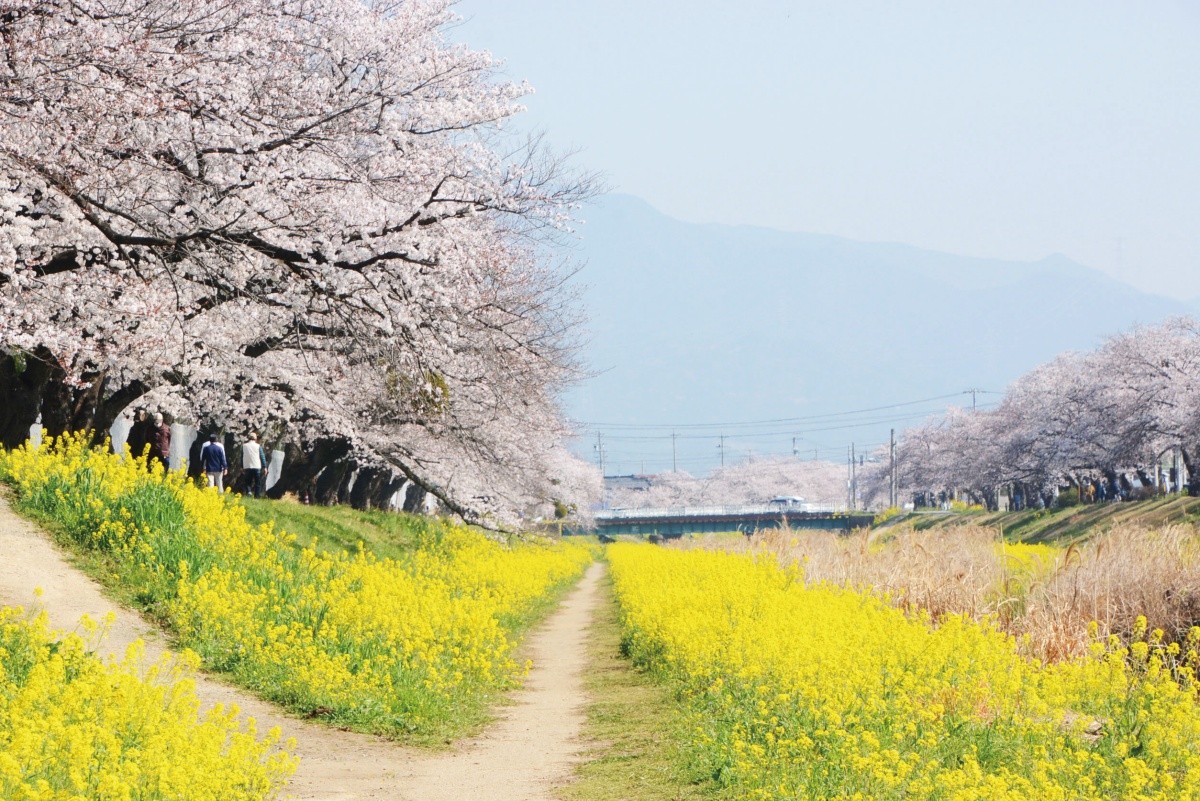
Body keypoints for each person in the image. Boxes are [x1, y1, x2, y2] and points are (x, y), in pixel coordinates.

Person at [241, 431, 268, 498]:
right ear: (255, 439)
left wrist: (241, 466)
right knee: (257, 482)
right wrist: (265, 467)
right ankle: (256, 496)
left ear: (248, 438)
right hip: (256, 466)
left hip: (247, 466)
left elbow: (241, 456)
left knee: (248, 481)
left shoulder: (244, 446)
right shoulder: (258, 446)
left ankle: (249, 492)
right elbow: (262, 456)